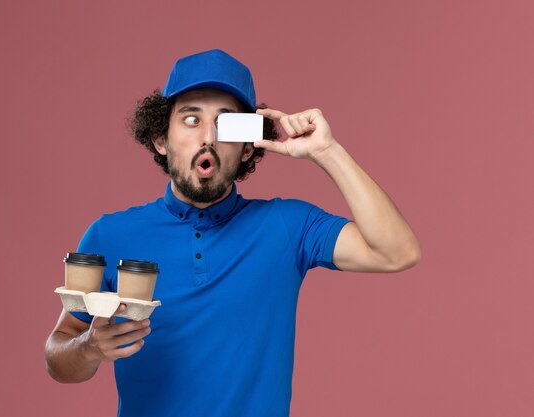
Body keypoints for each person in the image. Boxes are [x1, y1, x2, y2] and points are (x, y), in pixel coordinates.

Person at [45, 49, 421, 417]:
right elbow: (58, 358)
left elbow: (397, 252)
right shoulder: (109, 235)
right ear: (161, 139)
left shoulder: (287, 226)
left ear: (246, 147)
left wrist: (327, 151)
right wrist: (88, 347)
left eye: (226, 124)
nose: (208, 137)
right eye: (191, 120)